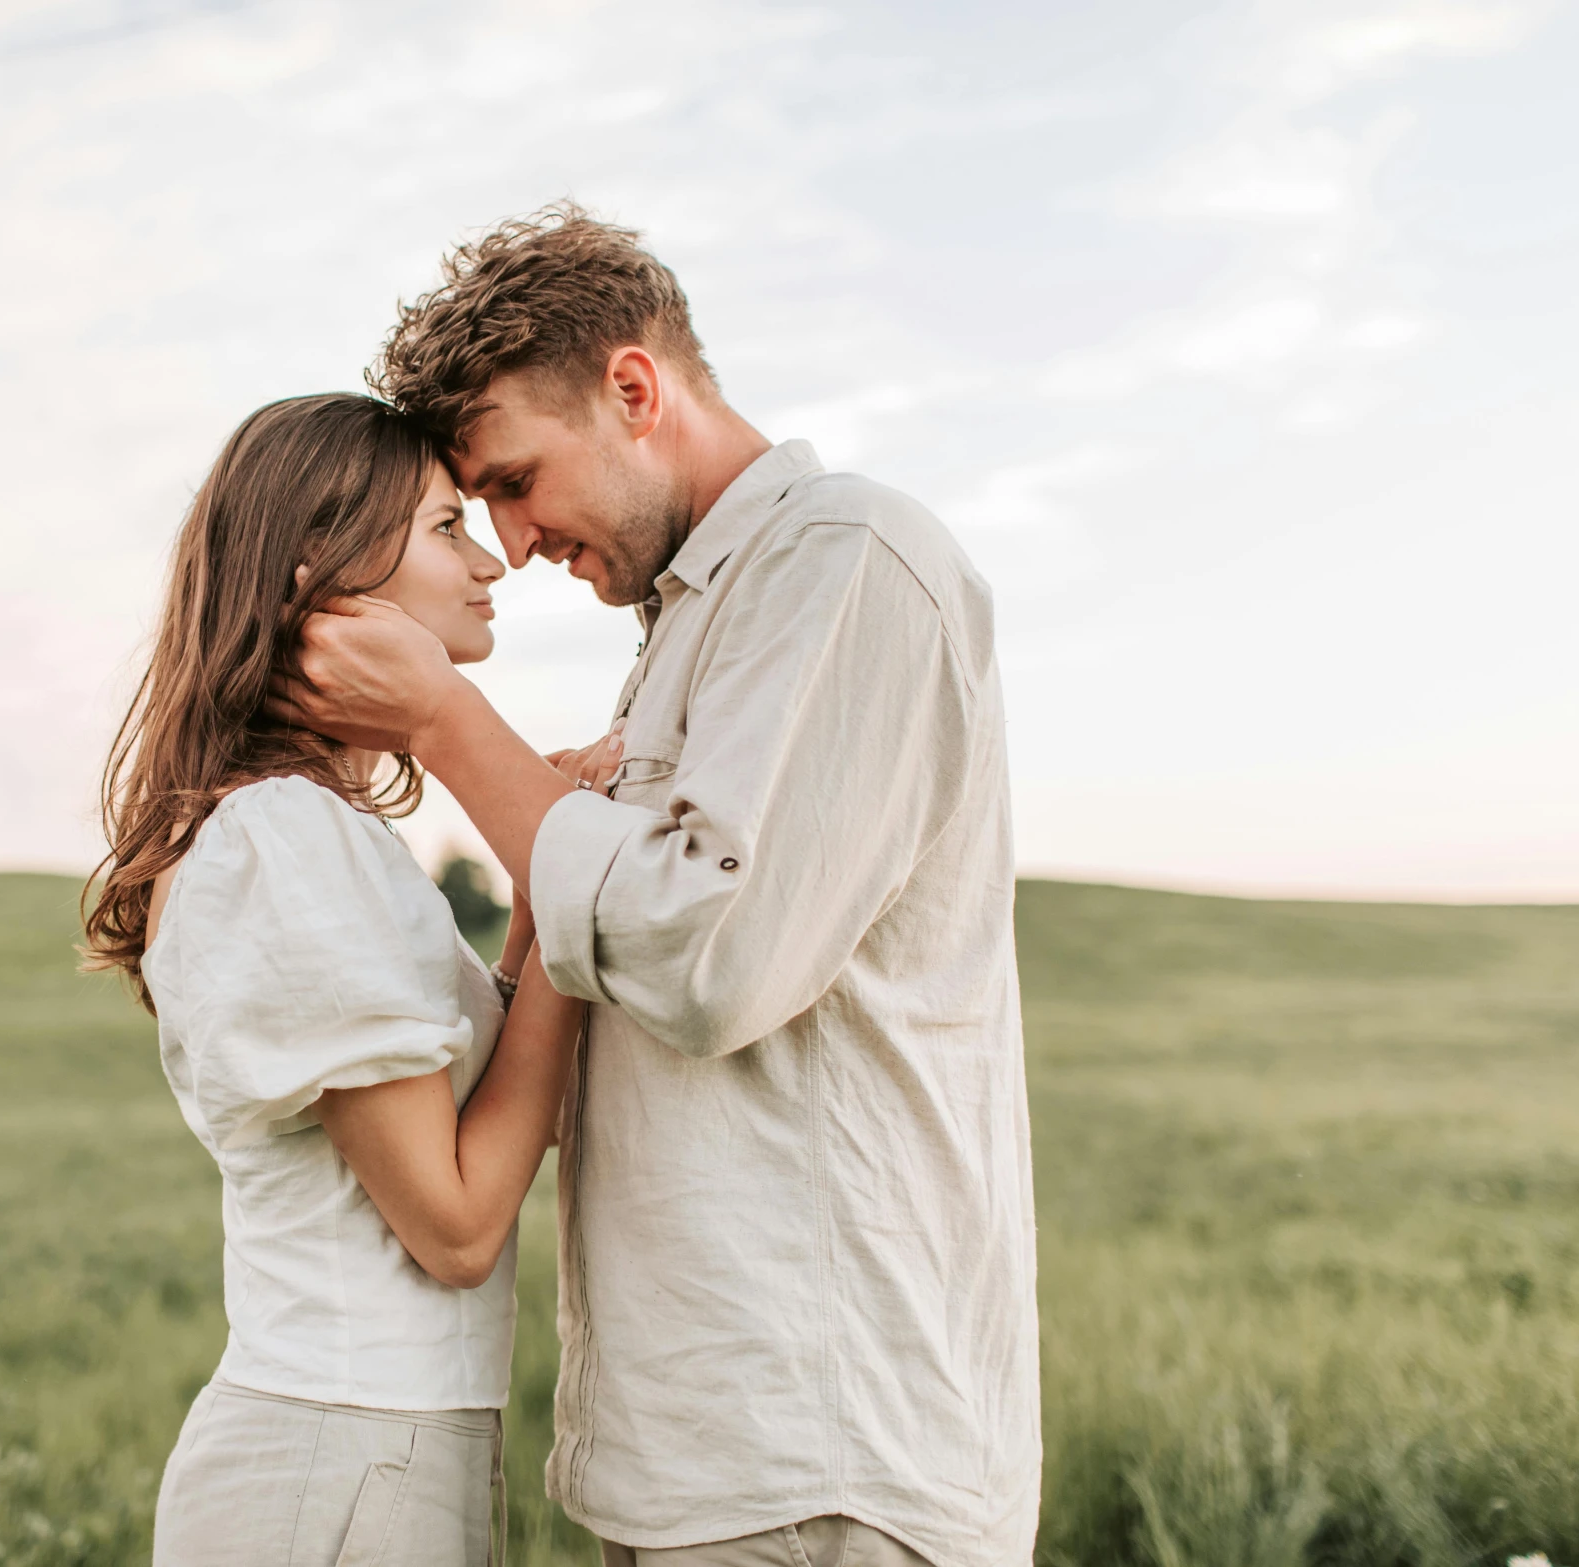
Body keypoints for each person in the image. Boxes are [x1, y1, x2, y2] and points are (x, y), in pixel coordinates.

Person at [272, 207, 1042, 1567]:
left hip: (820, 1447)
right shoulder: (696, 623)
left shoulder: (842, 560)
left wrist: (453, 728)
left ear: (633, 390)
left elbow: (709, 960)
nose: (505, 541)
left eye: (512, 478)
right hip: (712, 1451)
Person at [82, 393, 587, 1565]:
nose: (490, 563)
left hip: (381, 1446)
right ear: (326, 582)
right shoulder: (282, 838)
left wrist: (539, 914)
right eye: (445, 528)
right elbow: (455, 1227)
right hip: (339, 1457)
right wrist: (575, 898)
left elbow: (504, 1110)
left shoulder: (322, 835)